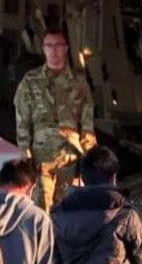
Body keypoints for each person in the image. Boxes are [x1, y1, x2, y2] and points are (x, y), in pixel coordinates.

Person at [13, 29, 96, 207]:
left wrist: (90, 152)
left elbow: (87, 120)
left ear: (66, 48)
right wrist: (25, 152)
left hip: (69, 156)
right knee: (41, 209)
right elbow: (22, 119)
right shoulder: (31, 80)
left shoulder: (79, 81)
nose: (54, 50)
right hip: (41, 157)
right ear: (43, 49)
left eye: (58, 45)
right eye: (49, 46)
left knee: (67, 208)